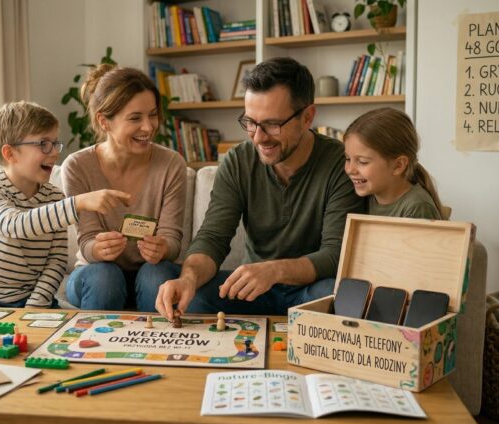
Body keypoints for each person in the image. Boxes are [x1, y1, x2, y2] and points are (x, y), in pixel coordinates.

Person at [153, 57, 365, 320]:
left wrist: (273, 271)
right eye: (251, 122)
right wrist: (188, 279)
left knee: (336, 295)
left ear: (307, 116)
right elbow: (212, 238)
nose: (258, 136)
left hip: (310, 289)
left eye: (272, 124)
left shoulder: (340, 164)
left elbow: (335, 255)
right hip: (253, 292)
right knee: (193, 296)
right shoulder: (237, 161)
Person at [0, 101, 130, 312]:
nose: (54, 152)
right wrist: (79, 202)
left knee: (67, 338)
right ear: (10, 153)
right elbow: (16, 225)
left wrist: (36, 305)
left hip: (34, 300)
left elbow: (56, 260)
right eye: (43, 144)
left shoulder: (54, 197)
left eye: (55, 143)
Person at [62, 64, 187, 311]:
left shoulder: (171, 164)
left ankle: (157, 347)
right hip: (95, 275)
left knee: (156, 276)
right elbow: (86, 242)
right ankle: (94, 348)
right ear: (104, 121)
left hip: (151, 274)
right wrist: (97, 248)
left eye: (152, 115)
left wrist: (163, 248)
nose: (149, 127)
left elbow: (173, 240)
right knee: (104, 278)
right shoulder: (77, 166)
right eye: (135, 118)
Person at [343, 107, 445, 220]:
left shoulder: (417, 208)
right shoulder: (364, 196)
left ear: (398, 166)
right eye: (347, 159)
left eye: (363, 162)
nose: (350, 169)